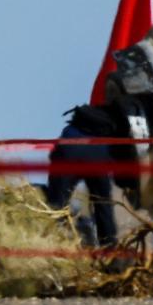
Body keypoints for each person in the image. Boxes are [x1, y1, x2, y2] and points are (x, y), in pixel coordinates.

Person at [44, 104, 125, 247]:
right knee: (103, 204)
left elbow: (56, 156)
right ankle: (110, 247)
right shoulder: (107, 129)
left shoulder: (70, 130)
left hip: (70, 154)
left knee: (57, 202)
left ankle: (56, 238)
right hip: (98, 157)